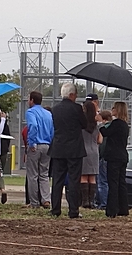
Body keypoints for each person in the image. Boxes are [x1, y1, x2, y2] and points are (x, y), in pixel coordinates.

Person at [48, 82, 88, 218]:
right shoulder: (77, 108)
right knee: (74, 179)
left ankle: (55, 209)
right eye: (75, 95)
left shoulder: (55, 109)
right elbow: (84, 125)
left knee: (57, 180)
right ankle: (73, 210)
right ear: (71, 95)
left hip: (58, 148)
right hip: (74, 149)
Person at [99, 101, 130, 217]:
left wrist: (100, 125)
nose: (112, 110)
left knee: (113, 183)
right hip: (123, 156)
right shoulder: (124, 125)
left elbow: (106, 133)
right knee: (121, 183)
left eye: (113, 108)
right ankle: (123, 208)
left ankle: (111, 210)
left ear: (117, 110)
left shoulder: (116, 123)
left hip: (114, 157)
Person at [24, 90, 53, 209]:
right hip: (47, 145)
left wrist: (32, 143)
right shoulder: (48, 113)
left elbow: (33, 126)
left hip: (36, 145)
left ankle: (34, 202)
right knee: (44, 174)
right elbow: (52, 129)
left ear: (32, 100)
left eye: (28, 99)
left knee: (33, 175)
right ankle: (46, 199)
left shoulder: (30, 112)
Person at [80, 99, 102, 208]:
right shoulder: (96, 126)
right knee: (92, 177)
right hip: (94, 152)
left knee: (83, 176)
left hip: (84, 150)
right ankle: (92, 201)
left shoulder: (82, 125)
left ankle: (85, 201)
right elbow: (100, 140)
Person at [96, 109, 112, 208]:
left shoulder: (104, 129)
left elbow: (102, 144)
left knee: (102, 181)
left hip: (103, 158)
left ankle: (103, 203)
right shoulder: (114, 127)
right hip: (110, 158)